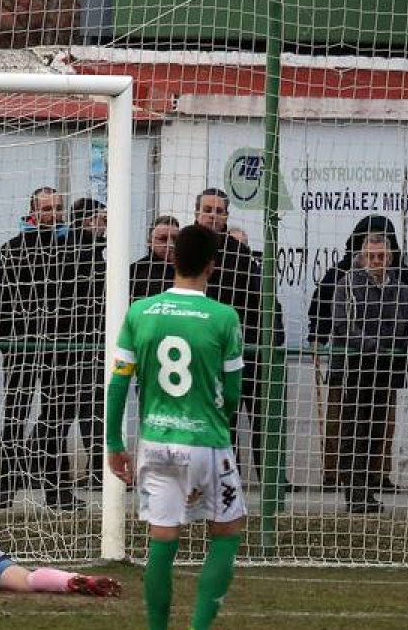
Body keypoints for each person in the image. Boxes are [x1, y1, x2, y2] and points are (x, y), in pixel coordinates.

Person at [106, 224, 246, 630]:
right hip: (207, 441)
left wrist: (115, 442)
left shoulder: (140, 311)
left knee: (162, 541)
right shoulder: (222, 316)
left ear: (172, 260)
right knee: (226, 530)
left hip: (156, 443)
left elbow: (118, 383)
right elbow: (234, 391)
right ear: (211, 266)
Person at [309, 215, 408, 489]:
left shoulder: (402, 278)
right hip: (348, 361)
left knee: (383, 421)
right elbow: (322, 309)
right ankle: (334, 474)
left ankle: (378, 475)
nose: (377, 258)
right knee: (339, 418)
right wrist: (316, 335)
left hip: (387, 364)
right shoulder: (340, 276)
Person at [195, 188, 283, 488]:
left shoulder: (238, 252)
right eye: (208, 209)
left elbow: (259, 298)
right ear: (197, 213)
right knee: (216, 422)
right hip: (201, 349)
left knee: (259, 416)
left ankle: (270, 482)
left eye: (219, 211)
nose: (213, 215)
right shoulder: (187, 244)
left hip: (241, 349)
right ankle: (218, 479)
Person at [330, 233, 408, 513]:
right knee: (353, 432)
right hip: (355, 370)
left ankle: (368, 490)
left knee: (375, 432)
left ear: (390, 257)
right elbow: (343, 326)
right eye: (371, 255)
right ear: (362, 256)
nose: (376, 260)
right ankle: (355, 495)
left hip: (386, 371)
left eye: (381, 255)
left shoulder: (401, 288)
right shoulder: (347, 283)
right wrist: (378, 348)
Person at [0, 187, 65, 509]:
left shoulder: (70, 249)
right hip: (21, 350)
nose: (54, 215)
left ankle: (55, 490)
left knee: (54, 419)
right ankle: (6, 487)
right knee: (15, 417)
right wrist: (10, 340)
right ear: (32, 212)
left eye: (58, 208)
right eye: (47, 209)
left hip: (60, 351)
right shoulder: (12, 249)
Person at [43, 197, 107, 500]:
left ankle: (90, 477)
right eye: (100, 220)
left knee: (89, 414)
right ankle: (54, 484)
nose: (105, 227)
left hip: (89, 349)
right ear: (86, 221)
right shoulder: (73, 255)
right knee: (58, 418)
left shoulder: (97, 255)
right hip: (66, 351)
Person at [130, 215, 179, 301]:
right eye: (163, 239)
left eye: (175, 239)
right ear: (149, 241)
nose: (170, 244)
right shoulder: (135, 271)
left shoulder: (188, 271)